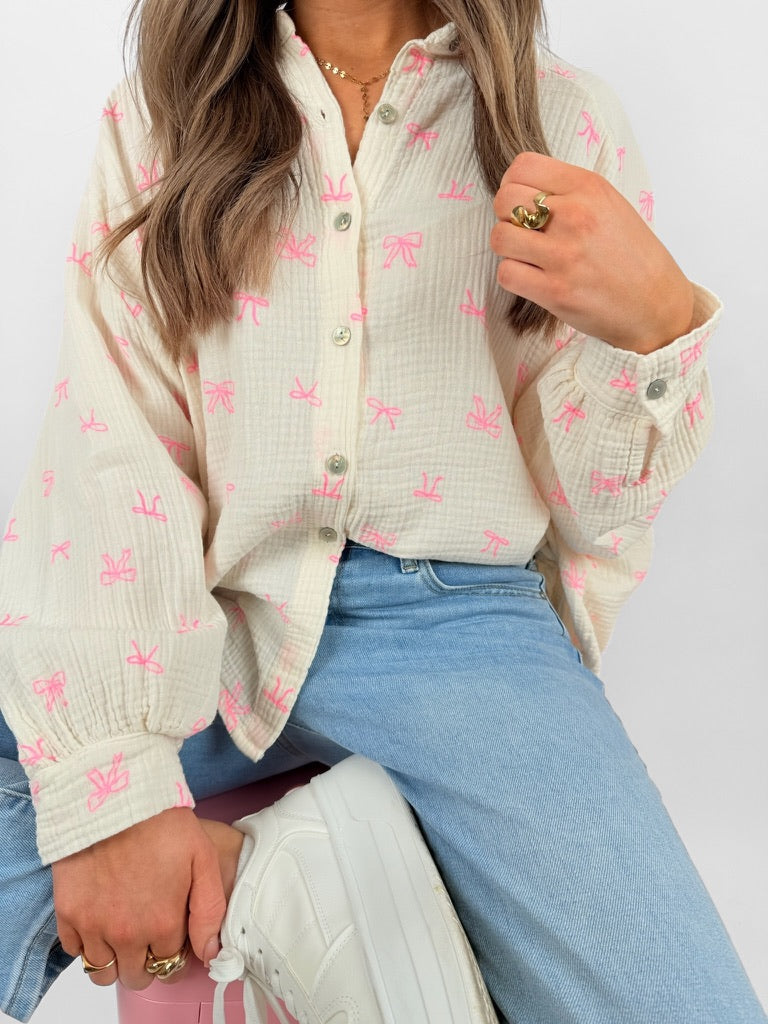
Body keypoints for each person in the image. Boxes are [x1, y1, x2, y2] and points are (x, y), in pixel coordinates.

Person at [0, 0, 765, 1021]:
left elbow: (597, 510)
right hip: (203, 616)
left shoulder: (560, 122)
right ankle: (284, 876)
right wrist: (113, 793)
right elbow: (113, 438)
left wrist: (656, 325)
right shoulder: (164, 117)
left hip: (457, 630)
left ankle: (300, 878)